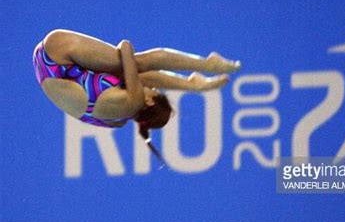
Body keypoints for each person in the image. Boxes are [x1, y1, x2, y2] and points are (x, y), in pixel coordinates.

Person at [33, 29, 240, 158]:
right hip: (45, 72)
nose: (152, 89)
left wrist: (123, 55)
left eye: (155, 92)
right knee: (135, 70)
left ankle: (207, 64)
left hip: (56, 53)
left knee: (139, 62)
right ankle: (195, 84)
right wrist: (189, 85)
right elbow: (147, 78)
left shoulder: (134, 99)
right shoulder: (119, 119)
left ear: (149, 101)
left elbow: (126, 48)